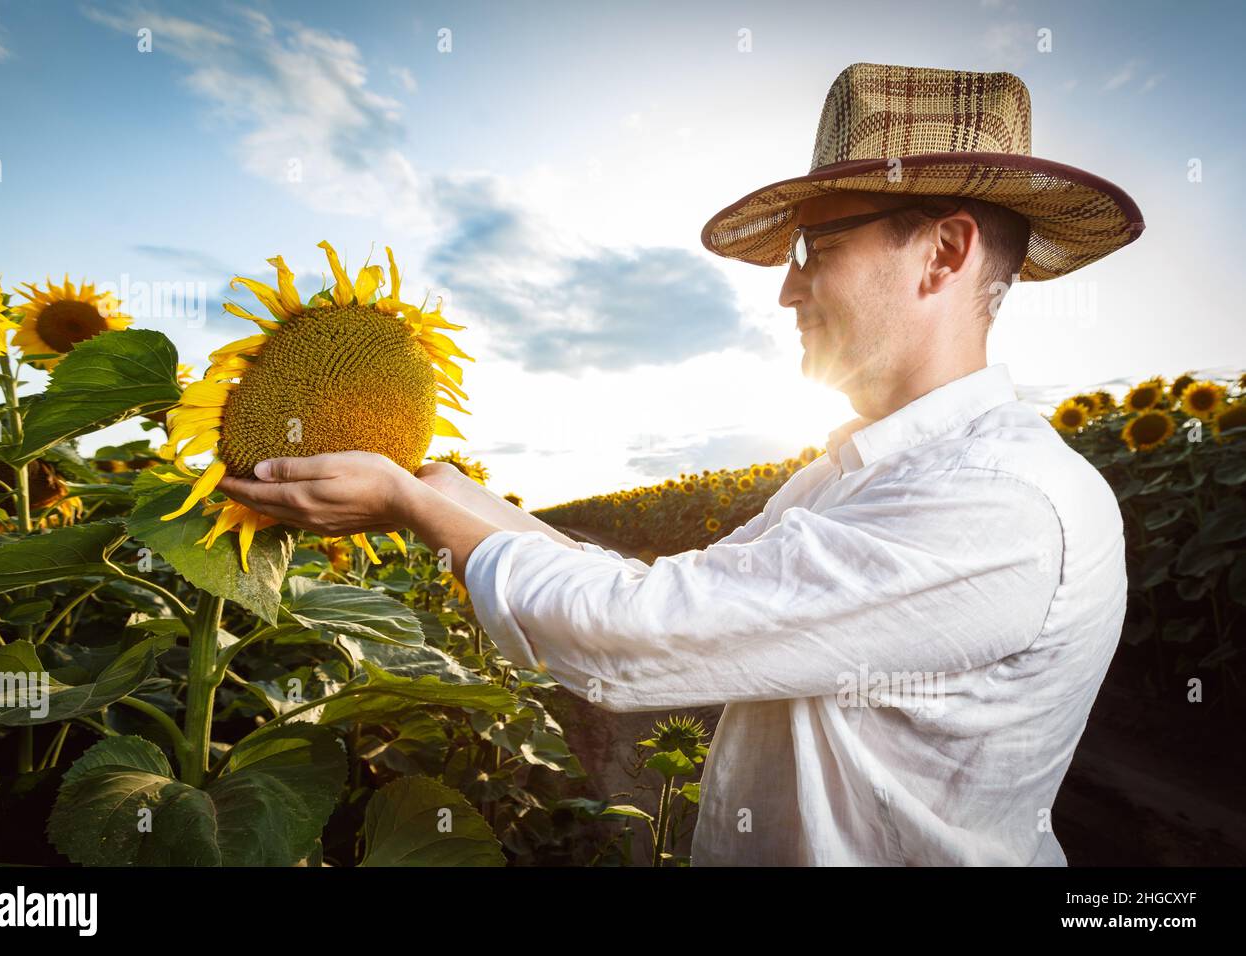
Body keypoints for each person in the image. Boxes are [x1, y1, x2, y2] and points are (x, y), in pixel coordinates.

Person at [218, 62, 1145, 865]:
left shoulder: (997, 501)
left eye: (817, 248)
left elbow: (638, 639)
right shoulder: (858, 473)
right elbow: (669, 591)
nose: (786, 289)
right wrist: (461, 498)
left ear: (943, 251)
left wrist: (420, 513)